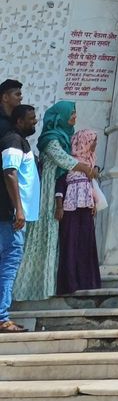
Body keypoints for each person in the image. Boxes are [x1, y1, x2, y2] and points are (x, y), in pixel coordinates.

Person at [14, 101, 96, 301]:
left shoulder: (67, 139)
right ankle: (32, 290)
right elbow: (65, 161)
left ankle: (53, 285)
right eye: (72, 114)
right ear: (60, 116)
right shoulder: (51, 140)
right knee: (45, 236)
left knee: (57, 240)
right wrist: (88, 170)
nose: (74, 117)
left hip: (60, 193)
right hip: (48, 194)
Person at [0, 105, 40, 332]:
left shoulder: (18, 141)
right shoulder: (13, 141)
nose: (34, 123)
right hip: (12, 217)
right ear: (18, 121)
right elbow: (10, 172)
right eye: (31, 119)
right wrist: (19, 209)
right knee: (8, 266)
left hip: (14, 216)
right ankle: (2, 317)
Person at [55, 130, 101, 295]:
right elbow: (60, 184)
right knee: (71, 244)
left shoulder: (89, 162)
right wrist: (59, 206)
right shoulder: (70, 162)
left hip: (86, 210)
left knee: (86, 245)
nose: (95, 144)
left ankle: (87, 282)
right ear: (84, 142)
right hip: (70, 210)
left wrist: (93, 202)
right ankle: (71, 284)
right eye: (93, 141)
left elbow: (90, 185)